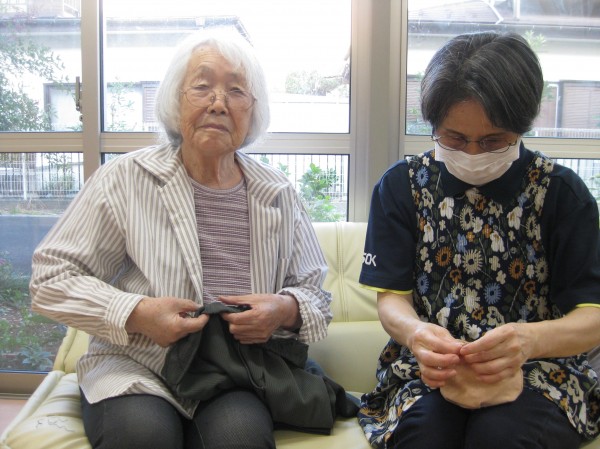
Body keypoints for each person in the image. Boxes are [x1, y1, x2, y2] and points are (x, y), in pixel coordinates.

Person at [30, 30, 333, 449]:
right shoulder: (125, 179)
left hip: (232, 372)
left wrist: (284, 309)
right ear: (176, 100)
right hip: (136, 363)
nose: (218, 103)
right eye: (202, 86)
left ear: (253, 111)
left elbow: (316, 296)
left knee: (240, 439)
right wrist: (137, 313)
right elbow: (50, 278)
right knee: (143, 436)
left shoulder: (278, 192)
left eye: (236, 91)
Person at [357, 31, 600, 449]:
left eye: (492, 141)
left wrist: (528, 341)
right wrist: (416, 334)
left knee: (500, 437)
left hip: (541, 370)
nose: (472, 153)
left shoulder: (561, 193)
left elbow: (592, 315)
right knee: (426, 437)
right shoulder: (402, 187)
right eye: (453, 138)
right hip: (429, 370)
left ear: (522, 126)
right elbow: (392, 298)